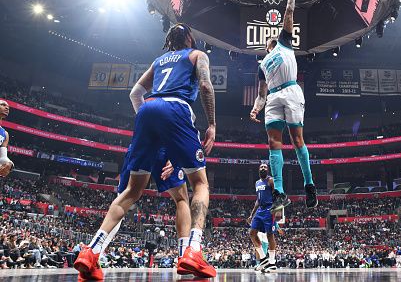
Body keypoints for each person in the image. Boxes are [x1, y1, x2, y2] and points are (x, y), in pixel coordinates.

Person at [74, 23, 217, 280]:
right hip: (175, 108)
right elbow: (206, 87)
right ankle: (192, 250)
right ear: (189, 38)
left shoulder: (159, 60)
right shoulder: (197, 54)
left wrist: (148, 120)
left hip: (148, 111)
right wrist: (213, 125)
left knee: (132, 190)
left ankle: (91, 252)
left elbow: (135, 93)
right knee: (199, 184)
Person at [250, 0, 317, 211]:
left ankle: (309, 184)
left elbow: (289, 13)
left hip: (290, 90)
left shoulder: (284, 43)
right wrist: (257, 107)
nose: (267, 44)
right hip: (272, 98)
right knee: (272, 142)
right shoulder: (262, 65)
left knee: (296, 139)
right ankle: (279, 192)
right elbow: (261, 93)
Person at [100, 148, 193, 274]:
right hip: (164, 148)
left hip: (138, 146)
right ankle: (184, 257)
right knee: (181, 199)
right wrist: (175, 156)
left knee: (122, 199)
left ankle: (94, 251)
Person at [248, 163, 278, 273]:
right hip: (260, 210)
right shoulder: (257, 183)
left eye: (265, 167)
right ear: (258, 169)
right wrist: (252, 214)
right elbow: (258, 200)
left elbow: (276, 195)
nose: (263, 168)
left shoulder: (270, 180)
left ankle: (272, 262)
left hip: (269, 209)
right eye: (261, 167)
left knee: (270, 235)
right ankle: (263, 259)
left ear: (268, 170)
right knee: (252, 233)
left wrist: (277, 209)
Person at [0, 99, 14, 177]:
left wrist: (9, 164)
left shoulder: (5, 134)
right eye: (3, 105)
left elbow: (3, 157)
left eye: (8, 107)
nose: (7, 108)